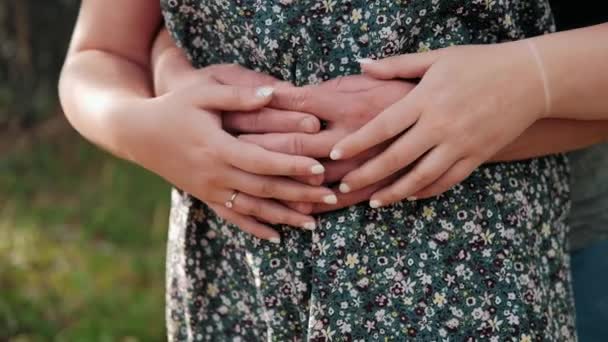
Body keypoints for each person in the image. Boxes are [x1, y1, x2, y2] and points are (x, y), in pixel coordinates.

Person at [59, 0, 608, 340]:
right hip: (240, 284)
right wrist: (142, 125)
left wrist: (530, 81)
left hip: (476, 283)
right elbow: (103, 51)